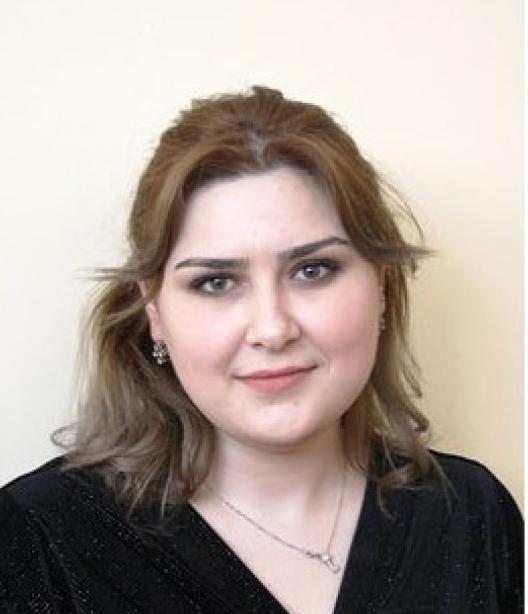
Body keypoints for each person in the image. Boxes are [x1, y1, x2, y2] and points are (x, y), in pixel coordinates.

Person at [0, 86, 523, 614]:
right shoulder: (38, 538)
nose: (272, 330)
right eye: (216, 282)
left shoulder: (471, 513)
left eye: (313, 270)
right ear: (154, 311)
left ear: (382, 287)